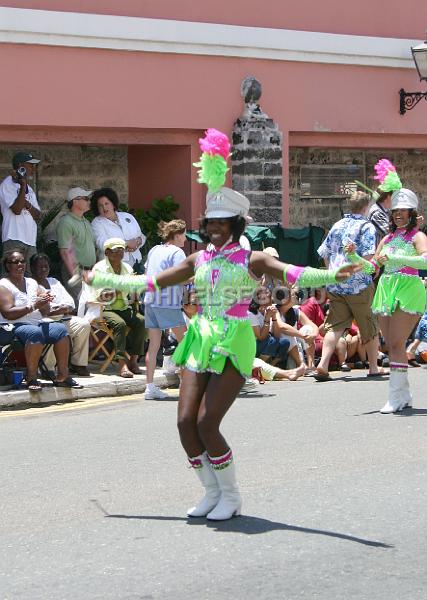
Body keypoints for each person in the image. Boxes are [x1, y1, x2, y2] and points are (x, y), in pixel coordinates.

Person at [82, 130, 359, 521]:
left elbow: (294, 273)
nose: (212, 226)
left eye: (220, 221)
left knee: (207, 422)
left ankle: (231, 494)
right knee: (184, 422)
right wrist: (106, 280)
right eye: (208, 221)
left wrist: (332, 275)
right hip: (200, 337)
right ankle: (211, 491)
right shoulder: (197, 259)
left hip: (234, 338)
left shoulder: (253, 259)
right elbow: (149, 282)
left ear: (234, 224)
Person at [344, 188, 427, 413]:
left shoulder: (417, 236)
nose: (398, 214)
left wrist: (397, 257)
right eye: (395, 211)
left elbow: (425, 261)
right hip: (386, 288)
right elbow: (373, 266)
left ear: (411, 213)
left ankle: (395, 396)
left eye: (403, 211)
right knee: (390, 345)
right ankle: (403, 393)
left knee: (398, 342)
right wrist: (352, 255)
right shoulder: (388, 238)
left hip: (408, 288)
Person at [314, 191, 384, 381]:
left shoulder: (337, 225)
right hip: (358, 284)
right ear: (366, 207)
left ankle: (323, 364)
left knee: (335, 326)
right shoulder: (367, 227)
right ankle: (373, 367)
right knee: (368, 324)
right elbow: (368, 257)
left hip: (336, 283)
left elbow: (325, 253)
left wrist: (332, 275)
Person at [0, 250, 82, 391]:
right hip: (13, 325)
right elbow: (8, 313)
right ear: (7, 266)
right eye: (15, 262)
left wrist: (45, 302)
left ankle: (63, 375)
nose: (20, 264)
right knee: (35, 332)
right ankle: (32, 377)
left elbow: (46, 311)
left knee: (61, 330)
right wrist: (33, 305)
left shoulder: (32, 283)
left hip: (36, 323)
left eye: (22, 261)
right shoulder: (4, 285)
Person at [143, 220, 187, 400]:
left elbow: (148, 271)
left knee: (153, 346)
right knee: (186, 343)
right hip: (168, 302)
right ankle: (187, 386)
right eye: (184, 235)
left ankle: (149, 387)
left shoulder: (154, 249)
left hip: (150, 301)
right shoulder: (177, 252)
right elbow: (182, 278)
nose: (185, 239)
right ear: (177, 235)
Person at [90, 238, 146, 378]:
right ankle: (122, 364)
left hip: (123, 307)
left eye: (122, 248)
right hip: (104, 309)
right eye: (117, 249)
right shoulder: (99, 268)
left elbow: (133, 295)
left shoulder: (127, 268)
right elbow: (100, 296)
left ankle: (133, 360)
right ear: (107, 252)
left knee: (142, 321)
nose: (120, 252)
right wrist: (118, 291)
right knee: (119, 324)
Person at [30, 253, 91, 377]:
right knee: (53, 326)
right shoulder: (30, 284)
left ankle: (78, 364)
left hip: (63, 317)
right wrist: (60, 308)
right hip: (42, 320)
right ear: (32, 268)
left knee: (83, 324)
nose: (43, 270)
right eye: (39, 267)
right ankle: (48, 368)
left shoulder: (53, 281)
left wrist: (59, 309)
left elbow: (70, 303)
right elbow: (42, 311)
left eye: (46, 267)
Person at [0, 152, 41, 272]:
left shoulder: (30, 189)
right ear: (20, 166)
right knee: (12, 276)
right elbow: (17, 209)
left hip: (30, 240)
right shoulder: (7, 185)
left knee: (30, 278)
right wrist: (22, 184)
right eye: (30, 165)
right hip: (13, 237)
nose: (33, 168)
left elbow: (38, 215)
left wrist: (26, 204)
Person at [57, 187, 97, 304]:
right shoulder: (66, 222)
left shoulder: (86, 221)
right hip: (76, 272)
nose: (89, 201)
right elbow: (64, 252)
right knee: (80, 307)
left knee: (91, 307)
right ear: (75, 201)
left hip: (89, 271)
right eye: (86, 198)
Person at [90, 187, 146, 268]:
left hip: (136, 263)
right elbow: (103, 244)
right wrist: (126, 244)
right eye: (100, 206)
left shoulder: (127, 216)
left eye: (106, 203)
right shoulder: (96, 223)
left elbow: (141, 236)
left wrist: (137, 242)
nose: (104, 208)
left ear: (113, 203)